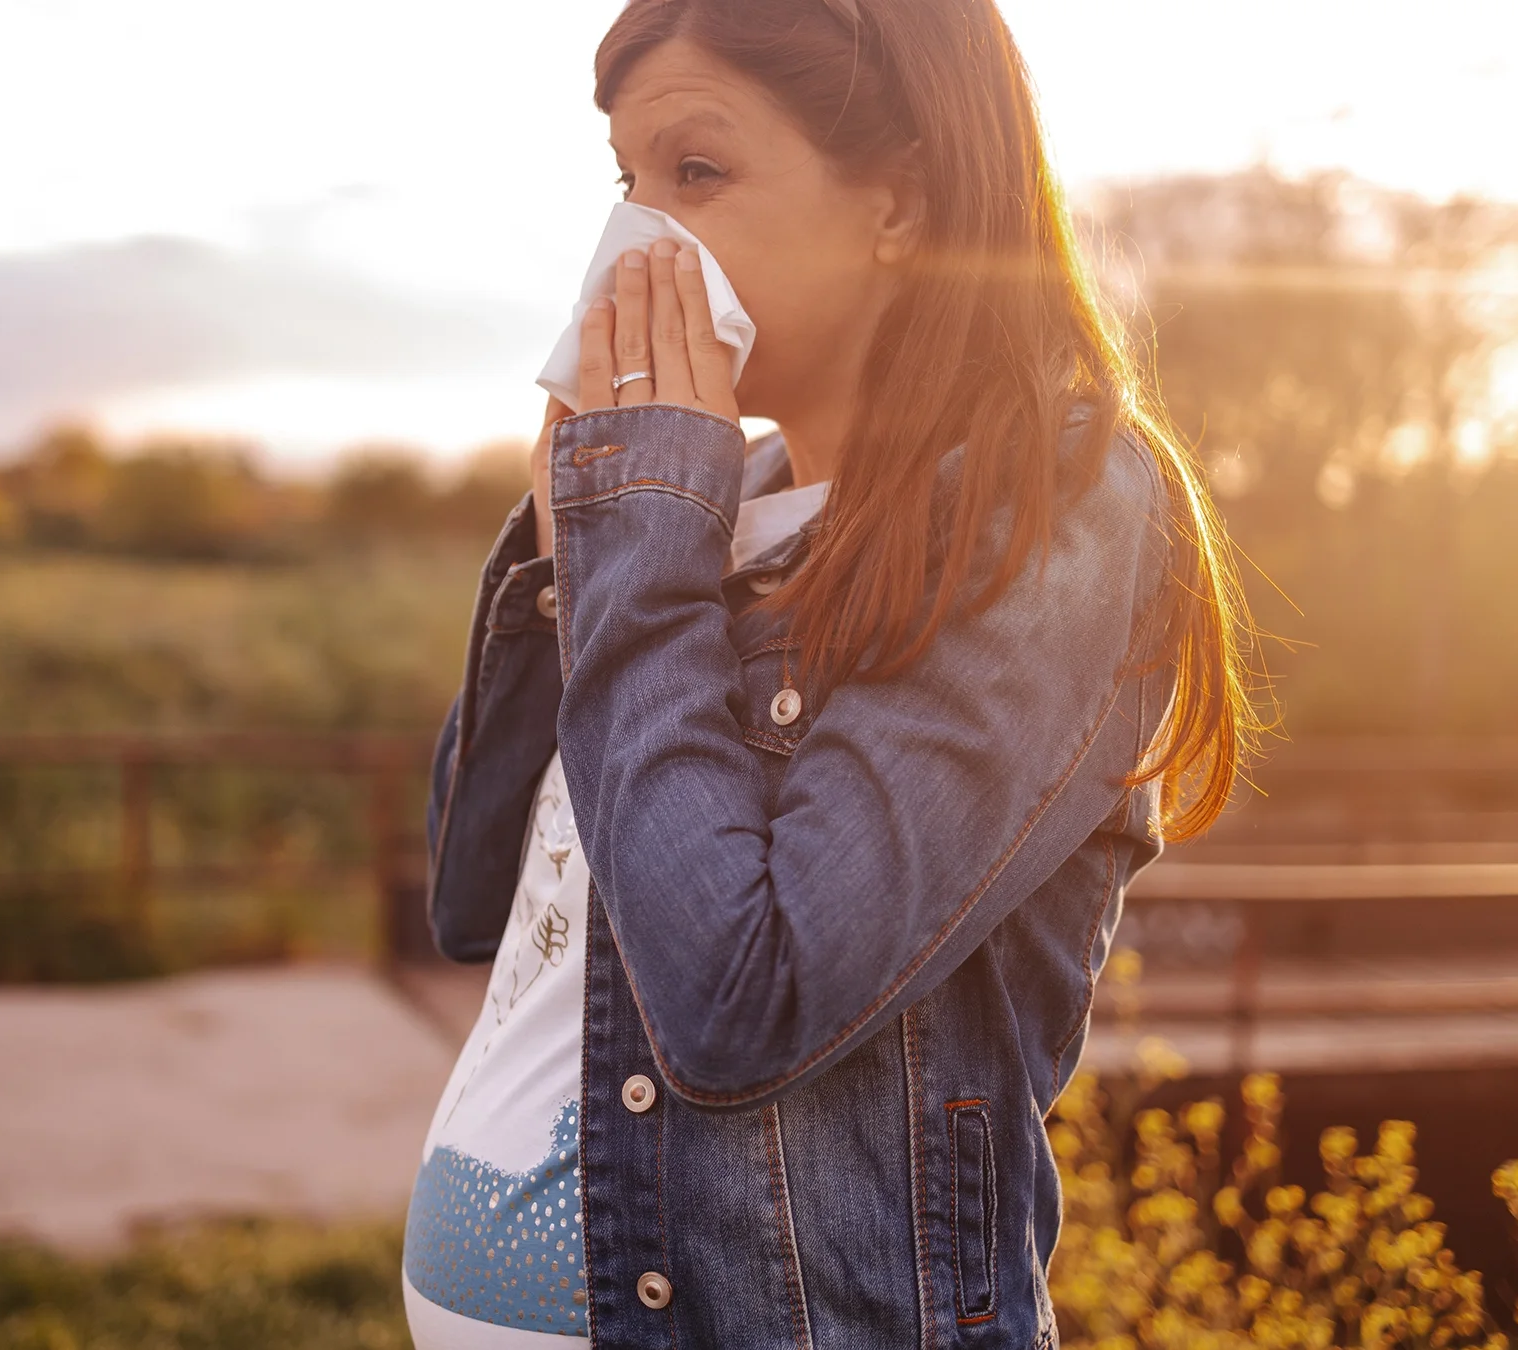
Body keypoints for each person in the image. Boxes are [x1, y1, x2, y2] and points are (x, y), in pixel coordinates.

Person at [405, 0, 1260, 1344]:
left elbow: (743, 1000)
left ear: (903, 205)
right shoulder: (711, 507)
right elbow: (470, 891)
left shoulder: (1055, 508)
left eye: (698, 173)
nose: (636, 242)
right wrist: (577, 546)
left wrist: (634, 537)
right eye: (624, 183)